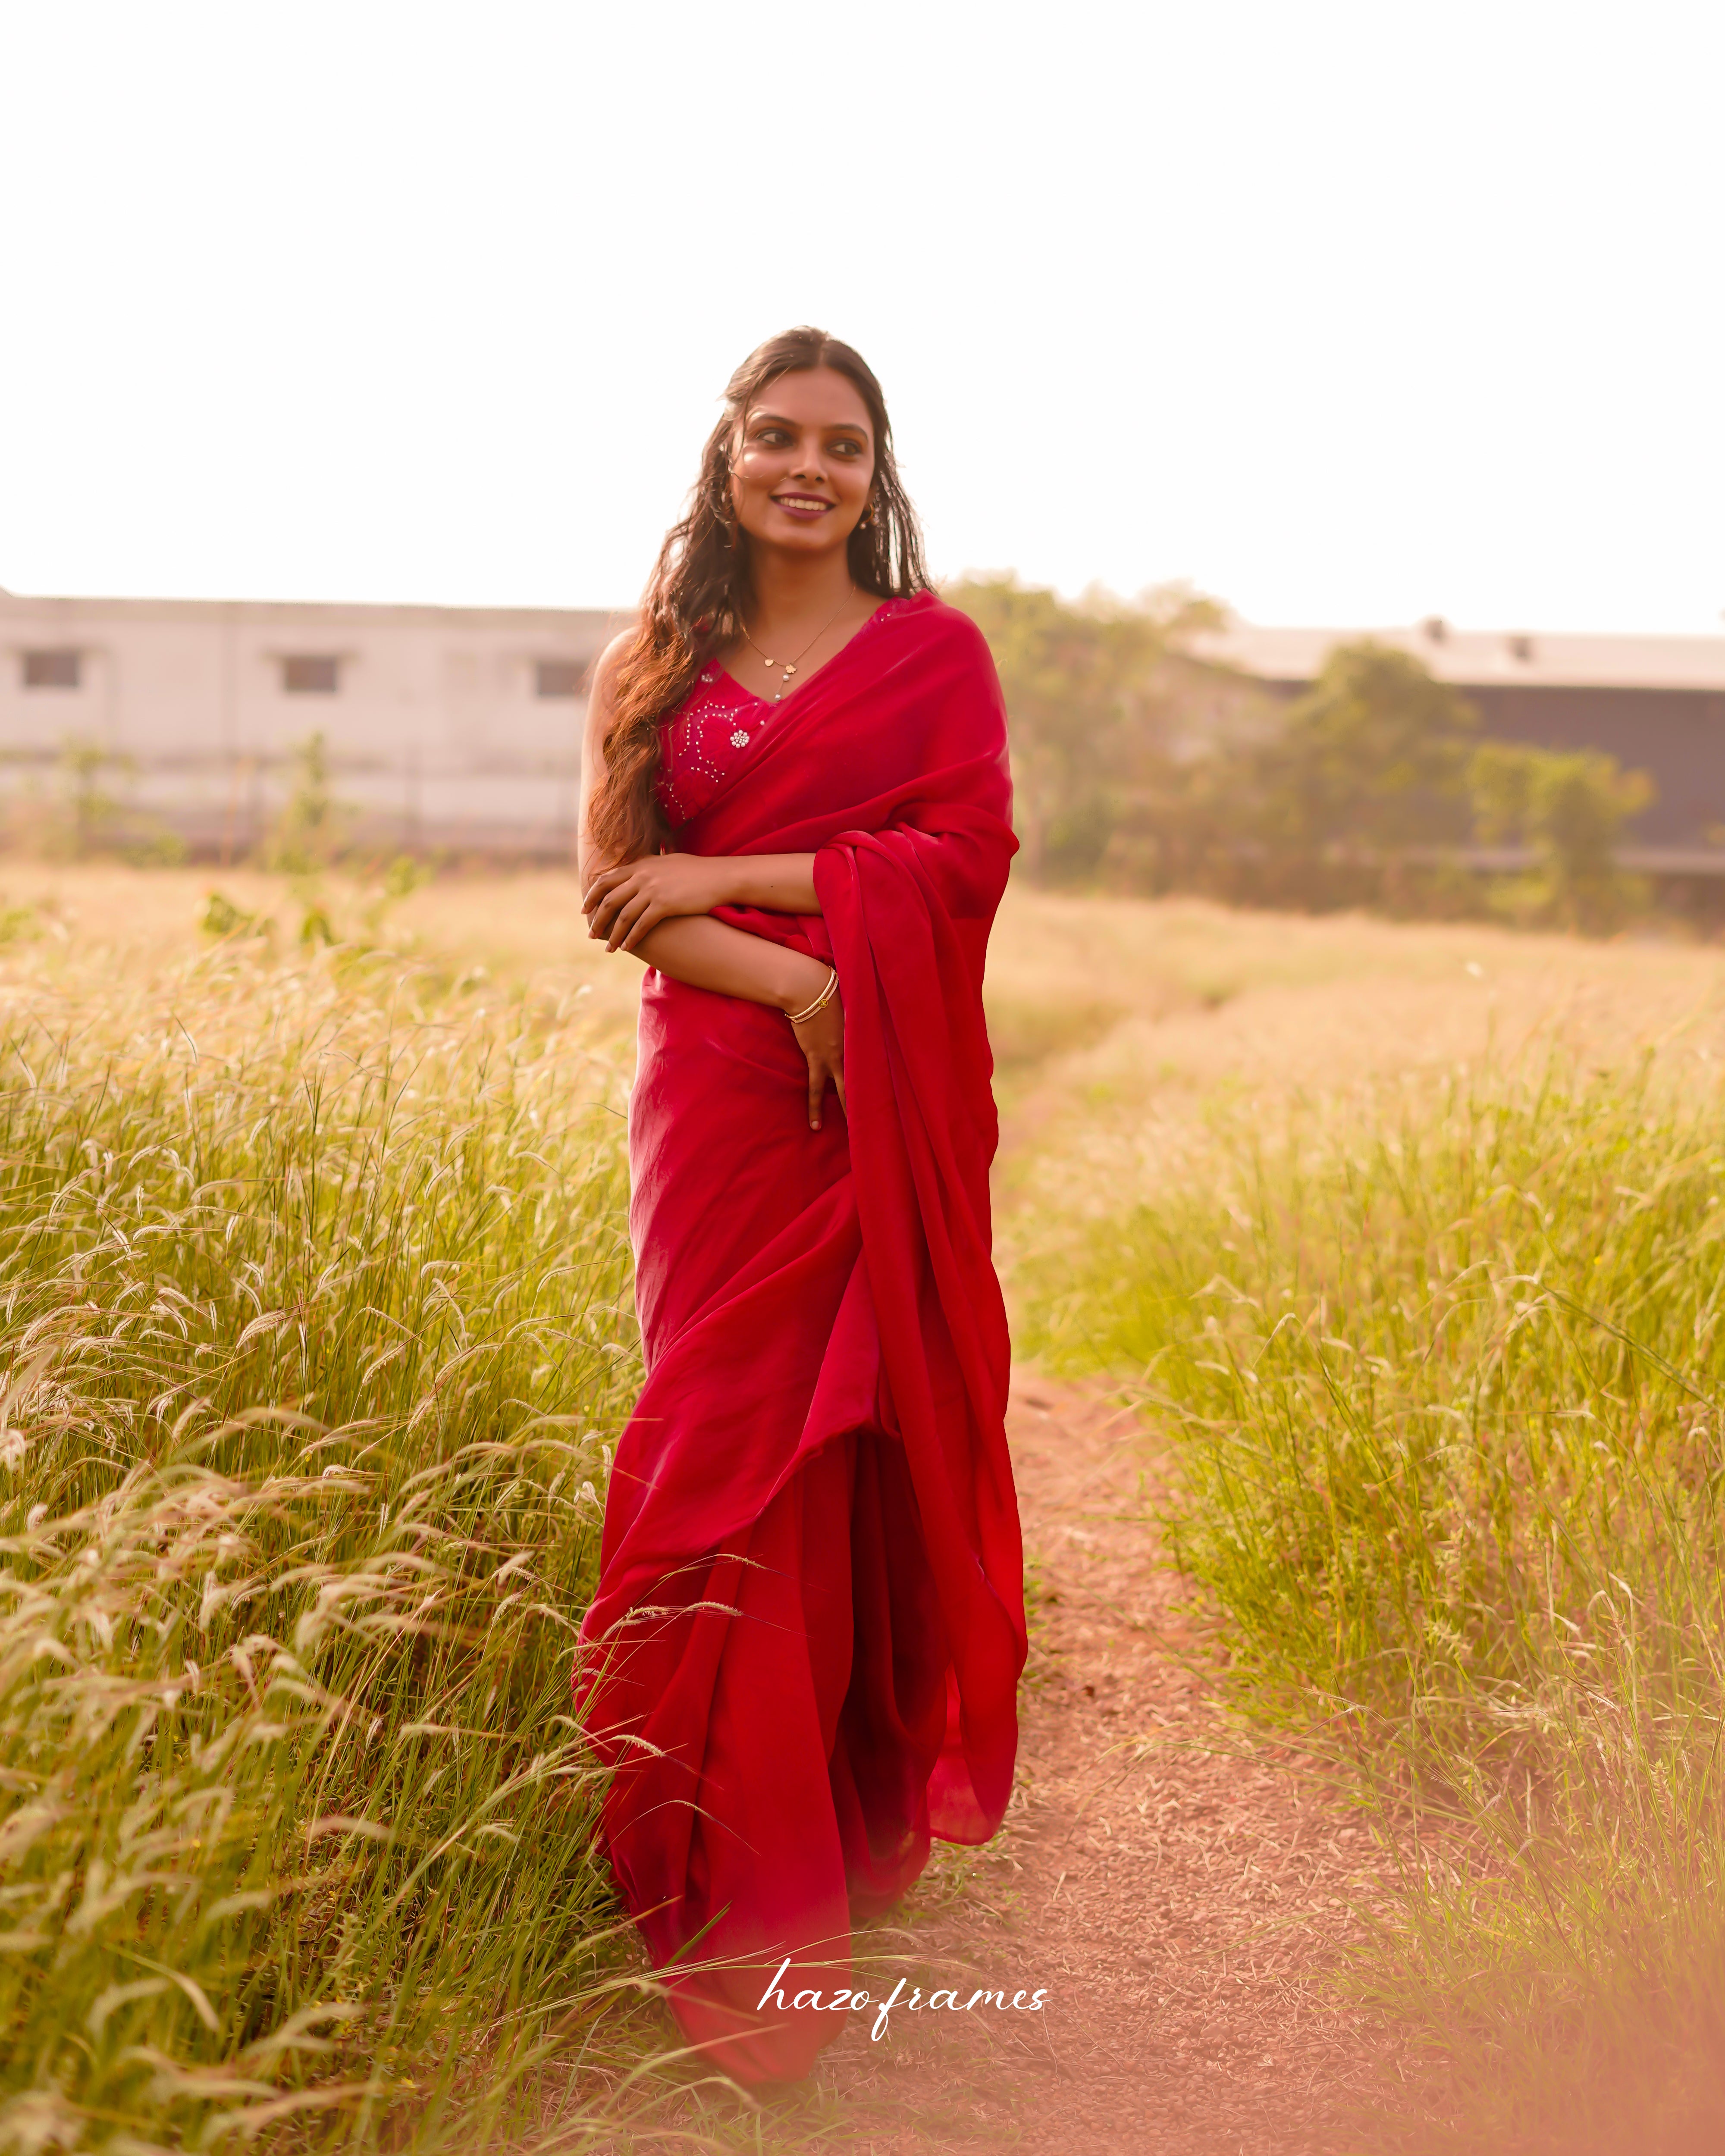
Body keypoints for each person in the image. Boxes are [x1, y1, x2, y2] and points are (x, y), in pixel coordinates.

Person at [574, 326, 1024, 2085]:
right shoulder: (655, 661)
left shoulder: (933, 656)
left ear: (875, 469)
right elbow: (616, 893)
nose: (806, 466)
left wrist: (745, 872)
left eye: (839, 442)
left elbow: (963, 859)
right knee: (713, 1448)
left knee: (836, 1453)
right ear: (729, 453)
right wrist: (802, 986)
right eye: (776, 435)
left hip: (880, 1117)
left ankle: (809, 1863)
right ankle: (694, 1864)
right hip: (723, 1103)